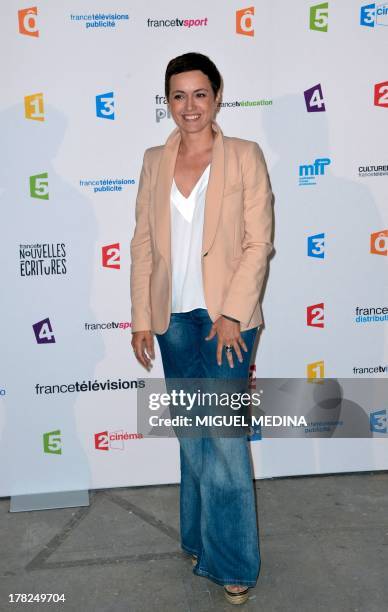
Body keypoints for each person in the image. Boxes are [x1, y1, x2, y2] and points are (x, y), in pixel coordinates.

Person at [130, 52, 273, 605]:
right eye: (178, 96)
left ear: (217, 96)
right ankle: (200, 540)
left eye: (199, 94)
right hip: (174, 322)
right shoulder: (153, 160)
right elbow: (143, 242)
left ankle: (234, 562)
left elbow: (259, 242)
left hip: (226, 324)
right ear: (168, 101)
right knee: (193, 438)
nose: (188, 106)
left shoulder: (243, 156)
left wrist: (234, 313)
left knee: (227, 442)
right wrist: (143, 316)